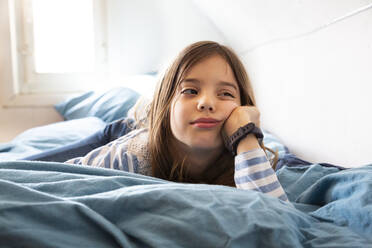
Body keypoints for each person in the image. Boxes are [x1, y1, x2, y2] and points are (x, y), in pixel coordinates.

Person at [28, 41, 289, 202]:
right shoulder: (129, 157)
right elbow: (61, 182)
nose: (207, 102)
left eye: (226, 94)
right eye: (190, 90)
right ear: (166, 106)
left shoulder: (248, 151)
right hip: (126, 130)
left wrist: (245, 134)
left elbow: (275, 213)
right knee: (28, 169)